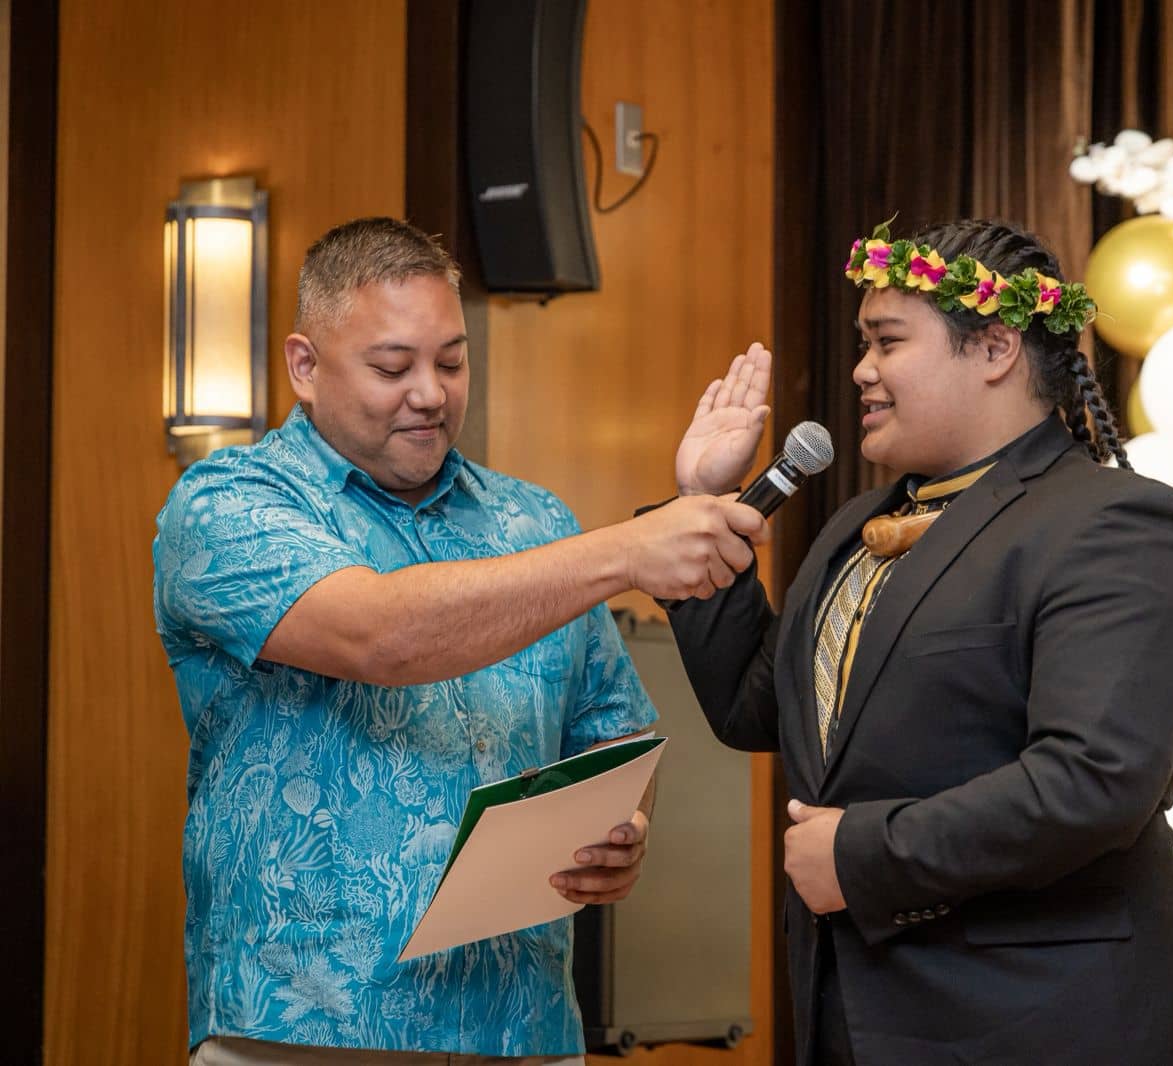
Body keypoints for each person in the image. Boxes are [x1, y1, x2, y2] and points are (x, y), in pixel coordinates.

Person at [153, 217, 767, 1065]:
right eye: (392, 366)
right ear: (304, 365)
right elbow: (380, 634)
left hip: (522, 1023)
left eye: (451, 360)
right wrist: (627, 549)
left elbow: (613, 728)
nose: (432, 393)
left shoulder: (532, 520)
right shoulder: (226, 506)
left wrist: (623, 824)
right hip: (305, 1026)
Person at [667, 219, 1173, 1065]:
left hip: (1060, 1022)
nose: (861, 371)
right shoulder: (856, 525)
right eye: (862, 344)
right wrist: (701, 502)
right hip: (869, 1017)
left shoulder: (1114, 520)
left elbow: (1095, 779)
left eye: (887, 342)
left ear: (993, 348)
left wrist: (863, 855)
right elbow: (752, 709)